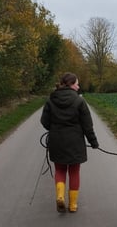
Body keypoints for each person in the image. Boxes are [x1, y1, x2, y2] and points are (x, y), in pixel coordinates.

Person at [40, 72, 99, 213]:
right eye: (77, 84)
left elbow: (44, 121)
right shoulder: (79, 101)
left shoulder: (51, 100)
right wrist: (94, 142)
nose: (78, 87)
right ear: (71, 84)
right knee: (74, 171)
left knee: (60, 169)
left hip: (56, 140)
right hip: (75, 141)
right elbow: (87, 125)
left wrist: (53, 129)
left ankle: (60, 196)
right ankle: (73, 205)